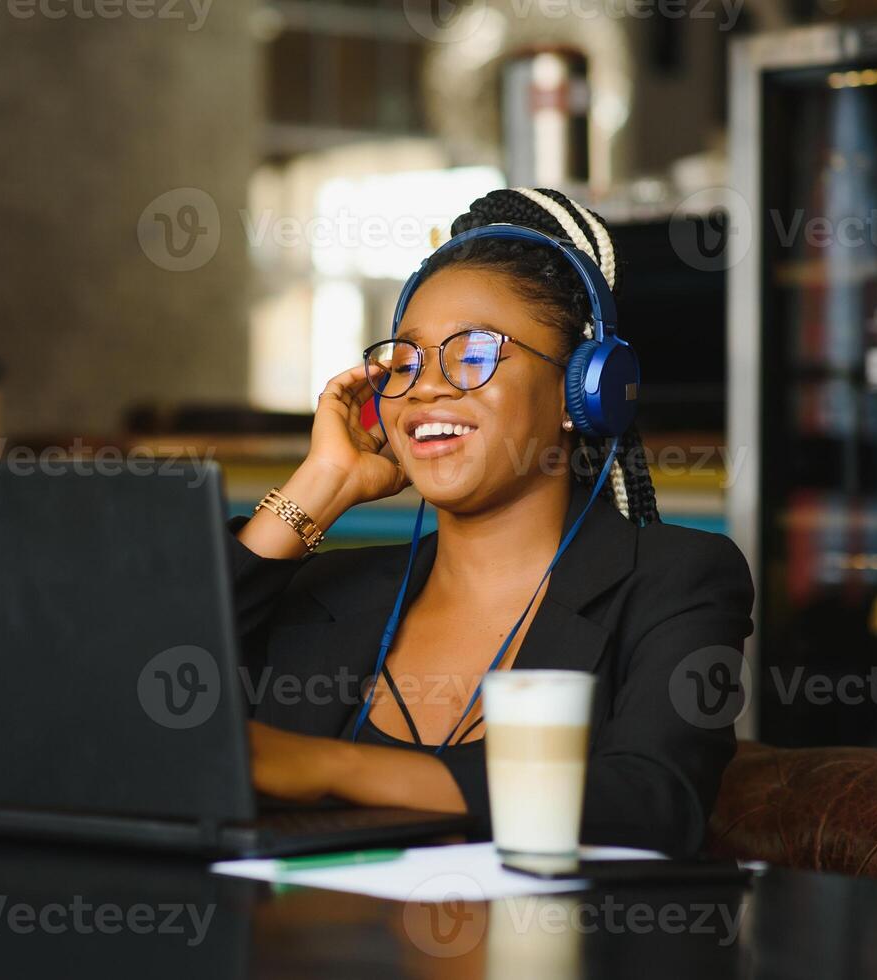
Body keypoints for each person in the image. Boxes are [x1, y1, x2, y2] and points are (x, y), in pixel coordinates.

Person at [233, 188, 754, 856]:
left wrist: (328, 766)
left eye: (474, 352)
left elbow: (653, 804)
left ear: (580, 391)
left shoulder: (676, 580)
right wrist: (320, 486)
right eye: (407, 360)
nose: (424, 386)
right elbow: (145, 702)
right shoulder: (327, 591)